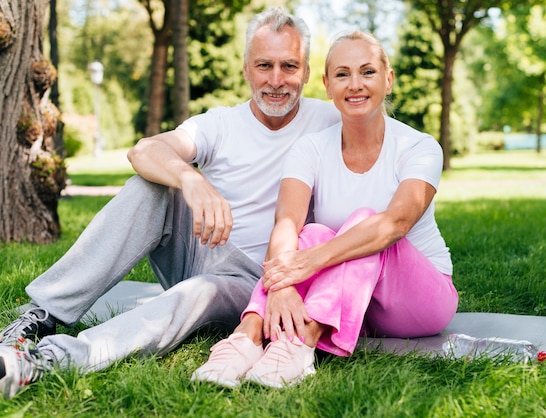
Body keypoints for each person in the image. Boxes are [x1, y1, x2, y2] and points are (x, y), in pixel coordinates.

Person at [0, 7, 341, 399]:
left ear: (308, 72)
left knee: (199, 291)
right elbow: (145, 151)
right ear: (246, 69)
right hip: (203, 250)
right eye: (264, 65)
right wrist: (190, 179)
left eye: (289, 66)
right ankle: (40, 315)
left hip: (258, 283)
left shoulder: (330, 120)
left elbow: (384, 150)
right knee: (150, 185)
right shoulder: (220, 123)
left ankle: (49, 360)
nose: (276, 80)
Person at [192, 31, 459, 389]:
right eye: (342, 74)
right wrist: (283, 287)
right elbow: (286, 222)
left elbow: (395, 223)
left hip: (421, 302)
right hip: (356, 302)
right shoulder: (311, 148)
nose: (355, 84)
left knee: (365, 224)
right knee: (311, 233)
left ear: (388, 79)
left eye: (367, 72)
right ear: (327, 85)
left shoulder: (419, 147)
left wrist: (309, 262)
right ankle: (246, 337)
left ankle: (300, 343)